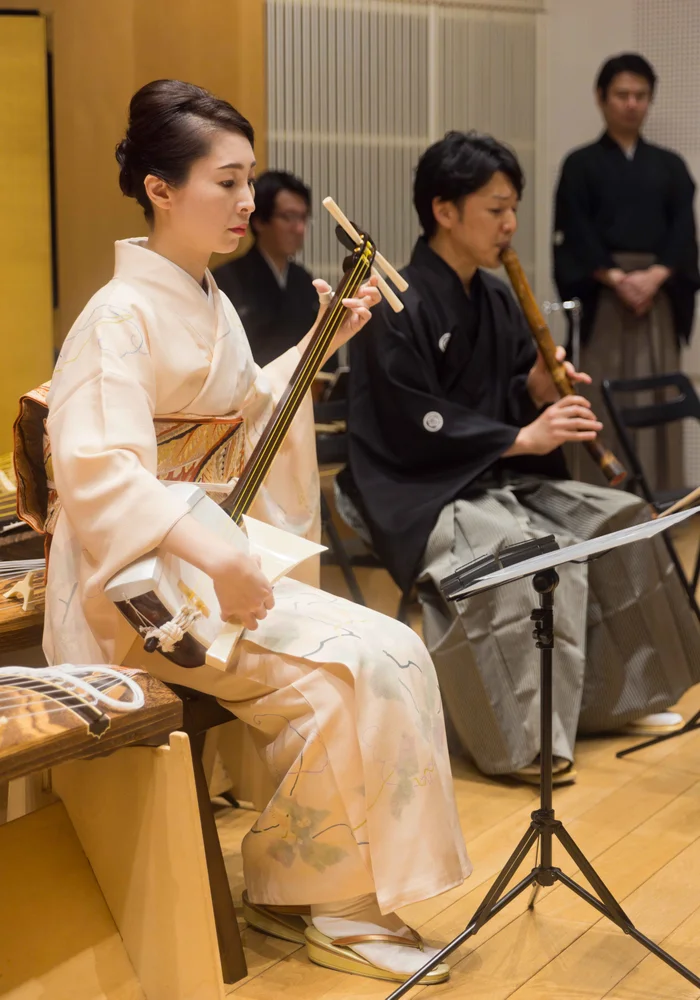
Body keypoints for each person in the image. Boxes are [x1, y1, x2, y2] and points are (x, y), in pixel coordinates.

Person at [36, 81, 470, 986]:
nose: (246, 203)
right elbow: (100, 474)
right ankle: (327, 903)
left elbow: (240, 418)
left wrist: (317, 341)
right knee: (370, 658)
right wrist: (221, 553)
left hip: (201, 560)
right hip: (140, 591)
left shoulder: (205, 298)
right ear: (160, 188)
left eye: (248, 182)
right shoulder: (116, 318)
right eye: (226, 183)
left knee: (375, 659)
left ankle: (311, 893)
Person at [341, 131, 700, 784]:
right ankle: (523, 741)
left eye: (514, 209)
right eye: (496, 209)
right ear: (444, 210)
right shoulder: (398, 302)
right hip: (418, 488)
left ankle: (610, 705)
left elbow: (504, 389)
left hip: (488, 474)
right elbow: (409, 419)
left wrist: (536, 390)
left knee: (618, 520)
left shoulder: (497, 297)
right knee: (527, 556)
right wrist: (518, 437)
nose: (510, 225)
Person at [553, 53, 700, 490]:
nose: (632, 103)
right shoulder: (580, 165)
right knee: (598, 395)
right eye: (622, 94)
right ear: (602, 98)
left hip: (657, 298)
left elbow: (683, 234)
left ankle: (664, 496)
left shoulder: (671, 166)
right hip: (605, 299)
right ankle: (602, 498)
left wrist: (654, 277)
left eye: (641, 95)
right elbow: (573, 231)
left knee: (660, 396)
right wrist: (616, 278)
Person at [214, 170, 320, 366]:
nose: (299, 228)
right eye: (289, 217)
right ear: (260, 221)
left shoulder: (304, 280)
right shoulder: (225, 280)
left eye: (303, 218)